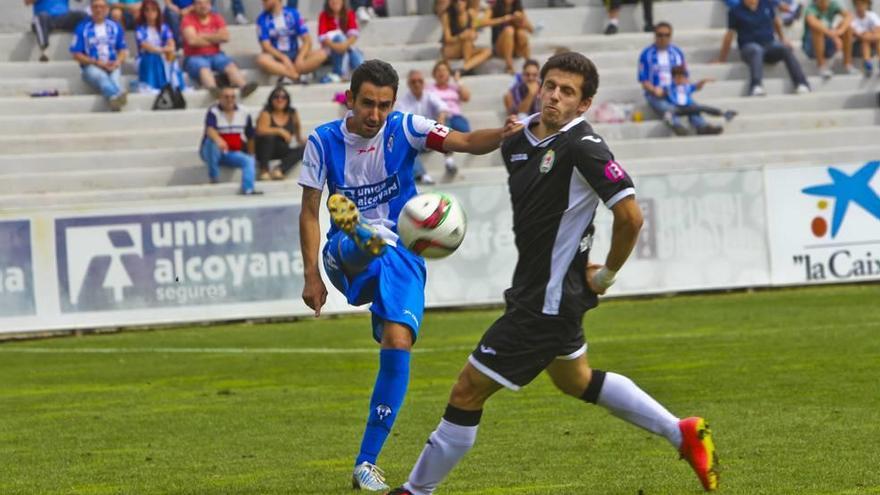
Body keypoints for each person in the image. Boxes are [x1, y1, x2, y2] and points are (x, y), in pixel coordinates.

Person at [387, 51, 719, 495]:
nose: (556, 97)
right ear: (539, 87)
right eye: (551, 86)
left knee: (467, 391)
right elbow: (556, 213)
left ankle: (415, 490)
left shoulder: (584, 146)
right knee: (575, 379)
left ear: (584, 105)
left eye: (568, 92)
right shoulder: (519, 141)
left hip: (544, 304)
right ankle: (683, 432)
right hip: (545, 292)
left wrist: (606, 276)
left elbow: (631, 217)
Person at [297, 59, 521, 492]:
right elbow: (309, 212)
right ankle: (359, 234)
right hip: (343, 254)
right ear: (350, 98)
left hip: (401, 254)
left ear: (393, 103)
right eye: (367, 104)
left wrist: (504, 133)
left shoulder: (408, 127)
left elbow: (468, 141)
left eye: (383, 105)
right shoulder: (322, 142)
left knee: (399, 341)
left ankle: (366, 463)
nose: (375, 115)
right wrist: (311, 276)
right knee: (355, 241)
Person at [717, 0, 811, 95]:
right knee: (757, 50)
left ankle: (801, 83)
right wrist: (722, 59)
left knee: (785, 49)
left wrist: (783, 39)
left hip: (769, 45)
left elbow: (775, 22)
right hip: (748, 47)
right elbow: (729, 35)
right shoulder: (735, 11)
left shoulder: (767, 4)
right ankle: (756, 86)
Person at [182, 0, 257, 95]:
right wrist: (214, 38)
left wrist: (202, 35)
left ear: (210, 5)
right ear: (193, 6)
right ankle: (213, 90)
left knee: (230, 65)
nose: (203, 6)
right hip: (195, 56)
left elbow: (225, 37)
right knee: (203, 68)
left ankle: (244, 87)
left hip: (216, 54)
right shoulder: (188, 19)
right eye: (199, 3)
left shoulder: (216, 17)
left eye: (206, 3)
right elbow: (192, 41)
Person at [70, 0, 129, 111]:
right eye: (95, 7)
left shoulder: (115, 27)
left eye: (102, 7)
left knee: (114, 79)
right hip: (91, 67)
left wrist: (118, 62)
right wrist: (96, 62)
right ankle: (117, 94)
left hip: (112, 64)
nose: (98, 10)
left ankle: (114, 99)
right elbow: (76, 54)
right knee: (102, 78)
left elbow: (123, 50)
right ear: (91, 9)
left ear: (107, 9)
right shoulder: (82, 28)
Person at [201, 85, 260, 195]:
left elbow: (250, 135)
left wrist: (252, 154)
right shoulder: (213, 111)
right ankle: (214, 178)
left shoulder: (244, 112)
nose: (229, 100)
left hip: (231, 152)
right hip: (214, 151)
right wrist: (219, 140)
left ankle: (248, 189)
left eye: (232, 97)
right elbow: (210, 130)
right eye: (226, 97)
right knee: (211, 144)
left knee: (248, 160)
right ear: (220, 98)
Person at [396, 69, 450, 184]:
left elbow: (443, 108)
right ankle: (423, 175)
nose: (417, 84)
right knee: (405, 145)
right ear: (409, 84)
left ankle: (449, 159)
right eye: (413, 81)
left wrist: (439, 123)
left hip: (433, 136)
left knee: (449, 121)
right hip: (417, 140)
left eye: (419, 81)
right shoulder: (403, 102)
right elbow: (402, 123)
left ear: (424, 82)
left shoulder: (430, 96)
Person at [256, 0, 328, 84]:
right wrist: (283, 58)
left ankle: (287, 75)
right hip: (276, 57)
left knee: (323, 53)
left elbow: (307, 40)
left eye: (265, 0)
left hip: (294, 53)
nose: (263, 2)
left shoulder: (293, 14)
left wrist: (300, 57)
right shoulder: (262, 19)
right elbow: (266, 46)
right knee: (261, 59)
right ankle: (295, 76)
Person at [638, 23, 693, 128]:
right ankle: (677, 126)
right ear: (655, 36)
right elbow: (644, 81)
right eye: (660, 35)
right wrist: (654, 90)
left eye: (667, 35)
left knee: (692, 105)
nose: (663, 38)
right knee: (667, 107)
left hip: (675, 91)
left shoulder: (677, 53)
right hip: (656, 93)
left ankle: (702, 126)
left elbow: (685, 77)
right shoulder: (646, 54)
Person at [428, 60, 470, 176]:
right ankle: (449, 160)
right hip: (441, 118)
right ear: (434, 74)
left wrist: (458, 81)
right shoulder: (429, 89)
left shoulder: (454, 87)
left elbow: (466, 97)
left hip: (456, 117)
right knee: (445, 131)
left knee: (466, 131)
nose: (441, 73)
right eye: (438, 70)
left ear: (449, 74)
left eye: (444, 70)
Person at [664, 65, 733, 136]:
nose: (679, 80)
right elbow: (662, 92)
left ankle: (704, 127)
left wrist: (703, 81)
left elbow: (696, 86)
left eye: (681, 77)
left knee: (699, 110)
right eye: (677, 78)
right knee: (669, 114)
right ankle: (678, 127)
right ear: (673, 78)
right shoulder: (669, 87)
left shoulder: (686, 87)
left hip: (689, 106)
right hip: (677, 108)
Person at [255, 86, 304, 180]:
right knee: (269, 137)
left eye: (283, 97)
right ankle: (264, 170)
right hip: (264, 150)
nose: (280, 99)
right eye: (276, 97)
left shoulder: (292, 113)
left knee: (305, 148)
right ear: (271, 99)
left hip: (281, 148)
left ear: (287, 100)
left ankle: (280, 169)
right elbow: (260, 130)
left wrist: (299, 138)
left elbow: (297, 126)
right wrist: (279, 131)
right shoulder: (266, 112)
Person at [135, 0, 183, 92]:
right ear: (143, 12)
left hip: (163, 55)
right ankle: (152, 86)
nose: (150, 13)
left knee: (171, 58)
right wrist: (161, 50)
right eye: (147, 10)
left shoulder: (164, 27)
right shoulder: (140, 28)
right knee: (153, 58)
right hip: (144, 57)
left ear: (158, 12)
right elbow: (144, 45)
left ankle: (174, 86)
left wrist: (168, 49)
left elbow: (171, 42)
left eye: (153, 10)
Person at [803, 0, 854, 78]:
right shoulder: (810, 8)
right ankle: (821, 66)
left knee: (848, 28)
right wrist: (834, 37)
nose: (825, 3)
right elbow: (812, 22)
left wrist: (840, 31)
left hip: (828, 43)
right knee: (818, 29)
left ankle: (847, 64)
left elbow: (849, 16)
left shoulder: (832, 4)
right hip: (812, 47)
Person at [318, 0, 366, 82]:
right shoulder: (324, 15)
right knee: (339, 38)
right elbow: (322, 37)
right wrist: (338, 46)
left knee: (349, 48)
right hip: (331, 49)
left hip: (346, 47)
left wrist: (344, 46)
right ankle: (359, 72)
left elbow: (354, 34)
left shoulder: (349, 13)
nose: (334, 1)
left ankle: (343, 72)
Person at [439, 0, 491, 74]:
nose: (459, 3)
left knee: (487, 51)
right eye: (456, 1)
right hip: (451, 48)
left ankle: (464, 68)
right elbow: (447, 39)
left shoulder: (471, 13)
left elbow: (476, 28)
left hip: (466, 47)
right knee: (466, 40)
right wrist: (461, 36)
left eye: (462, 0)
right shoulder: (447, 15)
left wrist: (473, 34)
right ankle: (468, 69)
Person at [486, 0, 533, 73]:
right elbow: (481, 22)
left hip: (516, 48)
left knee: (521, 33)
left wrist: (521, 19)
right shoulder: (494, 5)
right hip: (500, 48)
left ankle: (529, 63)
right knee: (509, 30)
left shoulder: (518, 8)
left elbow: (531, 30)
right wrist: (503, 19)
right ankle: (509, 66)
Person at [851, 0, 880, 75]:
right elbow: (858, 35)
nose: (860, 7)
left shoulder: (872, 15)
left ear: (867, 5)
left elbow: (878, 29)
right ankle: (867, 63)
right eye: (858, 5)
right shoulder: (853, 18)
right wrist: (870, 34)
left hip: (872, 39)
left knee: (877, 40)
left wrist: (869, 35)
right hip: (858, 43)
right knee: (865, 42)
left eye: (862, 5)